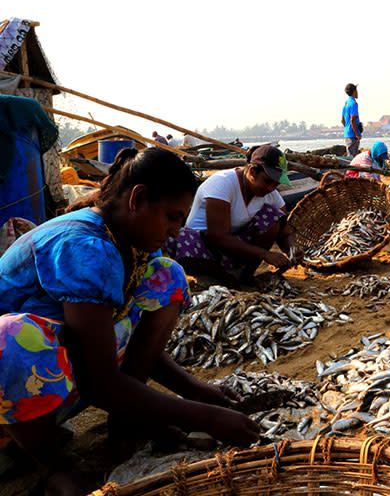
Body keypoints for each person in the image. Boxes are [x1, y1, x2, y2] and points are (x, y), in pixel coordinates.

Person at [0, 148, 259, 494]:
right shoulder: (85, 246)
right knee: (13, 338)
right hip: (12, 395)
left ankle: (126, 419)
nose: (174, 231)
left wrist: (194, 391)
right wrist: (204, 416)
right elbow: (99, 381)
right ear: (137, 199)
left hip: (56, 380)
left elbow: (114, 341)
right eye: (171, 217)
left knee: (166, 275)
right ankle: (53, 464)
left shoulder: (128, 242)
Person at [165, 144, 301, 284]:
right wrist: (264, 254)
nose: (271, 188)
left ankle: (245, 275)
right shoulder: (222, 183)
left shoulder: (271, 194)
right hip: (204, 249)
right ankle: (223, 278)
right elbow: (217, 237)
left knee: (273, 215)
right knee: (180, 238)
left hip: (235, 250)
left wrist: (292, 248)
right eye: (267, 181)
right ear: (252, 171)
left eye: (276, 184)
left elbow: (285, 231)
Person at [341, 83, 362, 158]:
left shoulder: (346, 104)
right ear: (354, 91)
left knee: (350, 155)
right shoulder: (353, 103)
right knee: (352, 158)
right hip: (353, 135)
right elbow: (353, 120)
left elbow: (342, 120)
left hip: (347, 133)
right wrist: (357, 134)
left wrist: (347, 128)